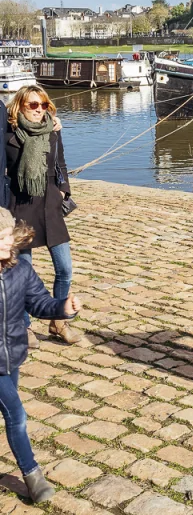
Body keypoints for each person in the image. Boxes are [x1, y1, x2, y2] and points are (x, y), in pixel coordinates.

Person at [0, 208, 81, 501]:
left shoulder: (20, 270)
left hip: (13, 354)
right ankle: (33, 476)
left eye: (7, 236)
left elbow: (39, 302)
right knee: (16, 415)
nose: (6, 243)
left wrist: (62, 308)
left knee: (9, 410)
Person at [5, 84, 79, 345]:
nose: (39, 110)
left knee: (65, 268)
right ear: (20, 107)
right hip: (21, 206)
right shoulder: (8, 133)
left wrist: (63, 191)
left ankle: (59, 321)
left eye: (44, 105)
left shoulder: (52, 129)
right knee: (23, 272)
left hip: (50, 205)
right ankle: (24, 326)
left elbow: (60, 164)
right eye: (33, 105)